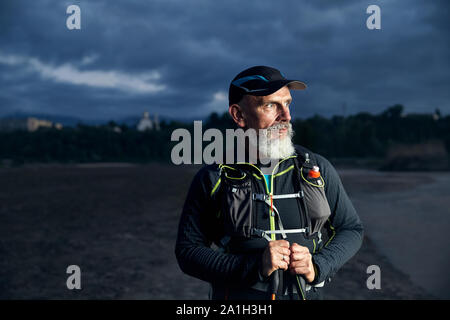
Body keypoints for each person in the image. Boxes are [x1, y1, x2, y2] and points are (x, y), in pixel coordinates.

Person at [175, 66, 363, 300]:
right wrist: (254, 266)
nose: (286, 116)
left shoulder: (316, 168)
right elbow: (187, 252)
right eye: (270, 105)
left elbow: (351, 228)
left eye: (288, 103)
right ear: (238, 115)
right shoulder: (213, 177)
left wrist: (318, 265)